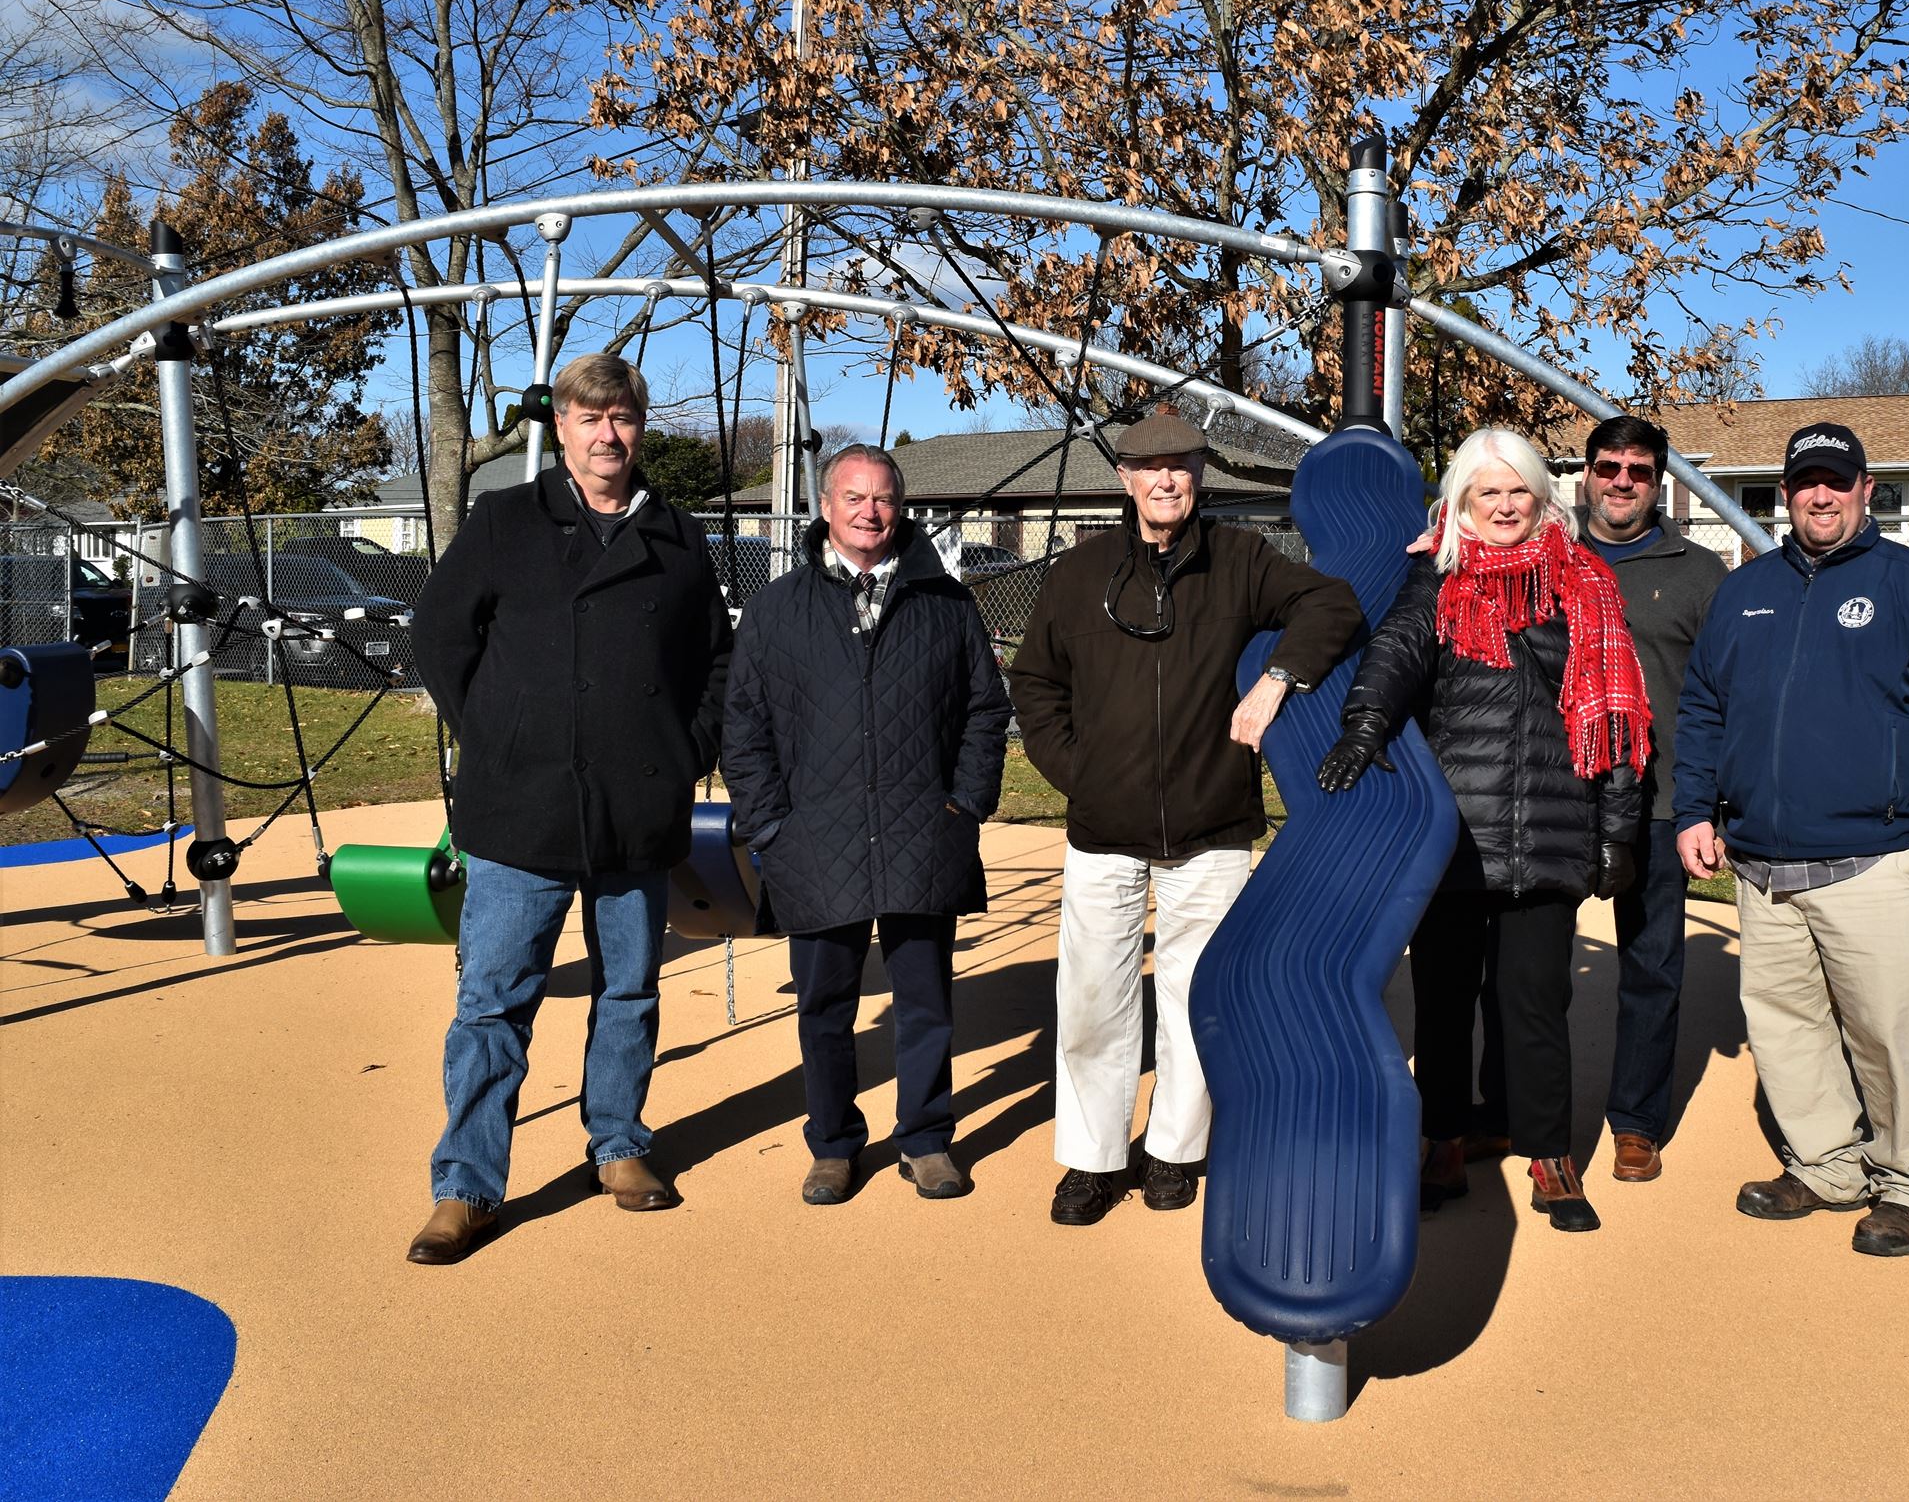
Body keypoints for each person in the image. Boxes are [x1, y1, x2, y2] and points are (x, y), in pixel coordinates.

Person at [406, 352, 732, 1265]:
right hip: (521, 809)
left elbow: (716, 660)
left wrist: (685, 753)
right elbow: (439, 632)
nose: (606, 434)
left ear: (640, 426)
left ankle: (618, 1144)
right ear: (562, 429)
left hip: (637, 806)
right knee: (493, 1005)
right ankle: (466, 1185)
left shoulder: (676, 534)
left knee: (628, 990)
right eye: (590, 418)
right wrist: (495, 734)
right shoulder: (508, 518)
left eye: (621, 417)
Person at [1005, 412, 1363, 1227]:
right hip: (1104, 827)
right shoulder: (1079, 571)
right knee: (1092, 1000)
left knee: (1197, 995)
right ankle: (1093, 1157)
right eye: (1150, 466)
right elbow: (1035, 682)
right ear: (1125, 479)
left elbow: (1331, 604)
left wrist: (1277, 678)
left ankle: (1174, 1148)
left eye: (1181, 466)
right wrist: (1078, 773)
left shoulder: (1241, 559)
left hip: (1211, 822)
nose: (1167, 479)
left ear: (1200, 475)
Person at [1674, 421, 1909, 1258]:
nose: (1821, 496)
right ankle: (1826, 1165)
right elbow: (1703, 707)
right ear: (1785, 494)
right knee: (1787, 1030)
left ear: (1865, 490)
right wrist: (1694, 810)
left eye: (1837, 480)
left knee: (1892, 1032)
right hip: (1762, 864)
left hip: (1874, 860)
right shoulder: (1746, 591)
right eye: (1805, 482)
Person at [1319, 428, 1650, 1234]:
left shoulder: (1584, 584)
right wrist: (1364, 725)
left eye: (1517, 491)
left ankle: (1549, 1153)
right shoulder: (1438, 575)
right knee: (1443, 999)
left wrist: (1618, 831)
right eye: (1487, 492)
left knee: (1533, 1000)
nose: (1504, 506)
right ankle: (1444, 1137)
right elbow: (1396, 653)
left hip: (1549, 827)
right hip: (1455, 837)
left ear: (1541, 496)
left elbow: (1616, 721)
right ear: (1462, 501)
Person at [721, 445, 1011, 1206]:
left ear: (900, 507)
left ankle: (926, 1138)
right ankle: (833, 1144)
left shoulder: (946, 603)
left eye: (882, 498)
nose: (869, 512)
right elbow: (744, 725)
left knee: (926, 1003)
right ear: (826, 506)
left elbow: (985, 709)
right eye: (853, 497)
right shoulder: (778, 608)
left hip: (924, 833)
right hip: (814, 839)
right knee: (824, 1007)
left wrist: (966, 803)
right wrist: (769, 824)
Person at [1575, 414, 1726, 1183]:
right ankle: (1515, 1111)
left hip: (1660, 802)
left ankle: (1636, 1122)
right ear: (1587, 474)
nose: (1622, 481)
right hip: (1557, 801)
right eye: (1609, 466)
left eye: (1638, 469)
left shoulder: (1699, 573)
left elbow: (1722, 697)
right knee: (1527, 971)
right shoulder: (1546, 555)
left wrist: (1708, 805)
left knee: (1651, 968)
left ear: (1659, 480)